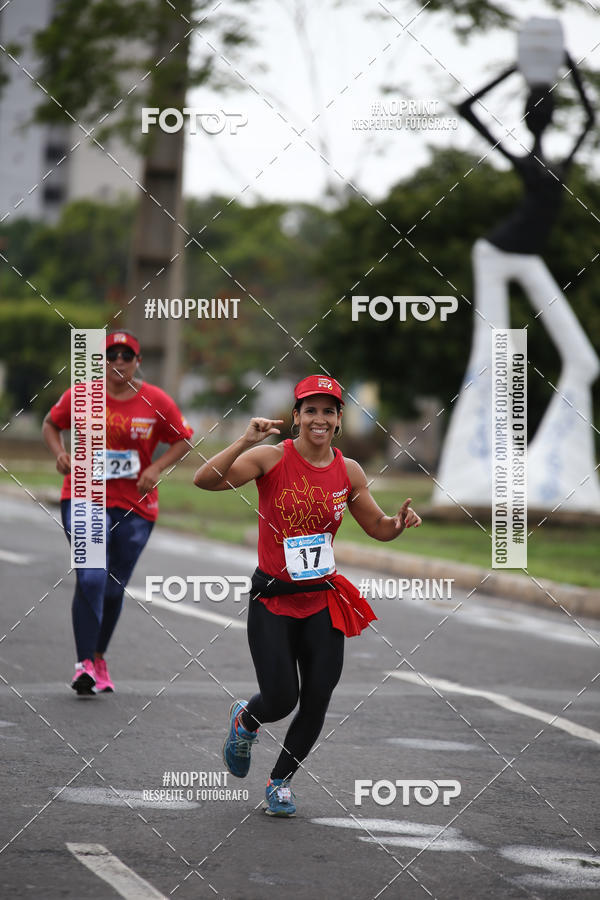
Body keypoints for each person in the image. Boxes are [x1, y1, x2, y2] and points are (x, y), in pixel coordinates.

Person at [193, 375, 421, 817]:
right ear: (296, 416)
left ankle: (280, 782)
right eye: (311, 410)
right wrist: (244, 439)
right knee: (281, 698)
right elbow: (206, 480)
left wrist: (398, 522)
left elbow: (377, 527)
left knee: (317, 697)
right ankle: (246, 721)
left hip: (321, 598)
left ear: (338, 420)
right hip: (273, 600)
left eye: (329, 411)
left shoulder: (348, 471)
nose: (320, 418)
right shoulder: (270, 458)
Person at [42, 331, 193, 695]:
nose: (119, 362)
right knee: (91, 576)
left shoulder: (156, 400)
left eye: (127, 355)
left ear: (137, 362)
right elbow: (51, 423)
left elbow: (183, 439)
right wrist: (59, 453)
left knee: (112, 588)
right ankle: (83, 666)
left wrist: (156, 469)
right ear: (102, 361)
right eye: (112, 355)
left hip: (136, 505)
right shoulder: (81, 395)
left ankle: (98, 656)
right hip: (84, 497)